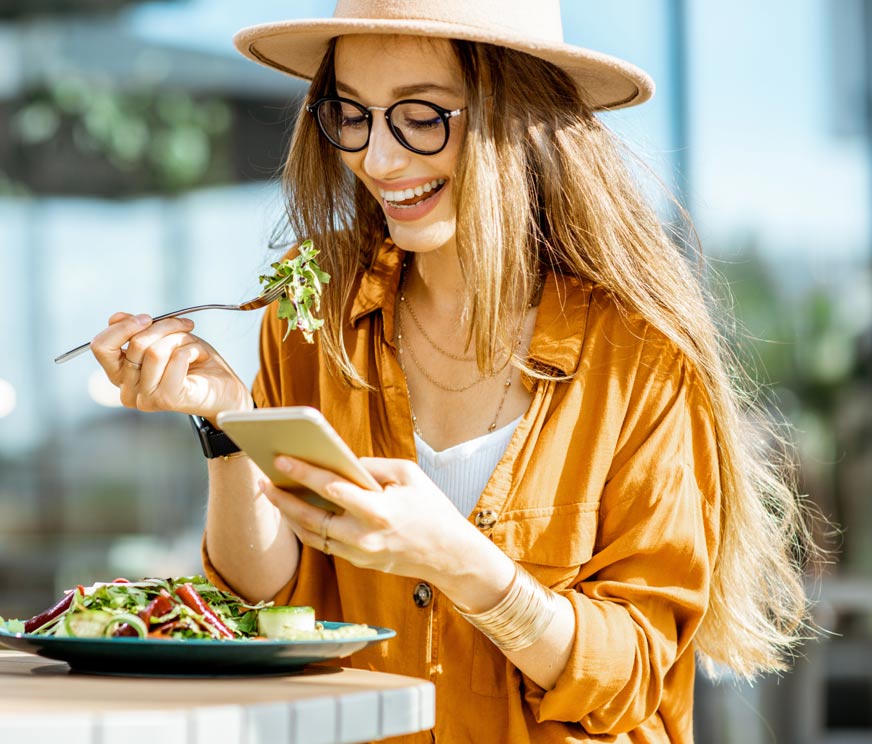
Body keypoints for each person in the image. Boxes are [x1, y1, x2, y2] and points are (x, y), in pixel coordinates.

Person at [89, 1, 815, 741]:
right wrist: (226, 422)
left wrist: (462, 563)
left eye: (422, 116)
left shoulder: (640, 356)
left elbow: (632, 674)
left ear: (519, 116)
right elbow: (262, 599)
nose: (377, 158)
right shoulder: (311, 320)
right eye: (353, 115)